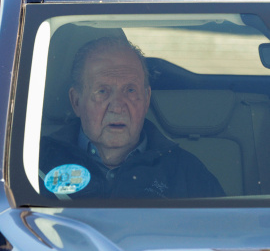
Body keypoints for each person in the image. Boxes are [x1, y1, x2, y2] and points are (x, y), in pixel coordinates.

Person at [39, 37, 225, 199]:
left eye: (130, 90)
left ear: (146, 100)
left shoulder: (186, 173)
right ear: (76, 101)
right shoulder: (35, 163)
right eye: (102, 91)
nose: (118, 106)